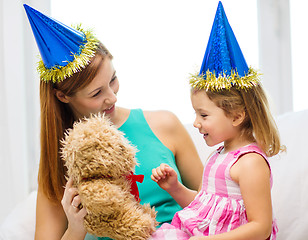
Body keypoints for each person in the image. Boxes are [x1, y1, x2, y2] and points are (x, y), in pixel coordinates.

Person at [23, 4, 204, 240]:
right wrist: (76, 229)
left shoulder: (165, 124)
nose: (112, 97)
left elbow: (213, 204)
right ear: (63, 96)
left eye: (113, 79)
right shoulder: (60, 160)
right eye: (96, 93)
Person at [150, 2, 284, 239]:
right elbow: (205, 210)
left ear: (236, 116)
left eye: (203, 115)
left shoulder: (250, 163)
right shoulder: (219, 155)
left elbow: (260, 227)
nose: (195, 123)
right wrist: (176, 188)